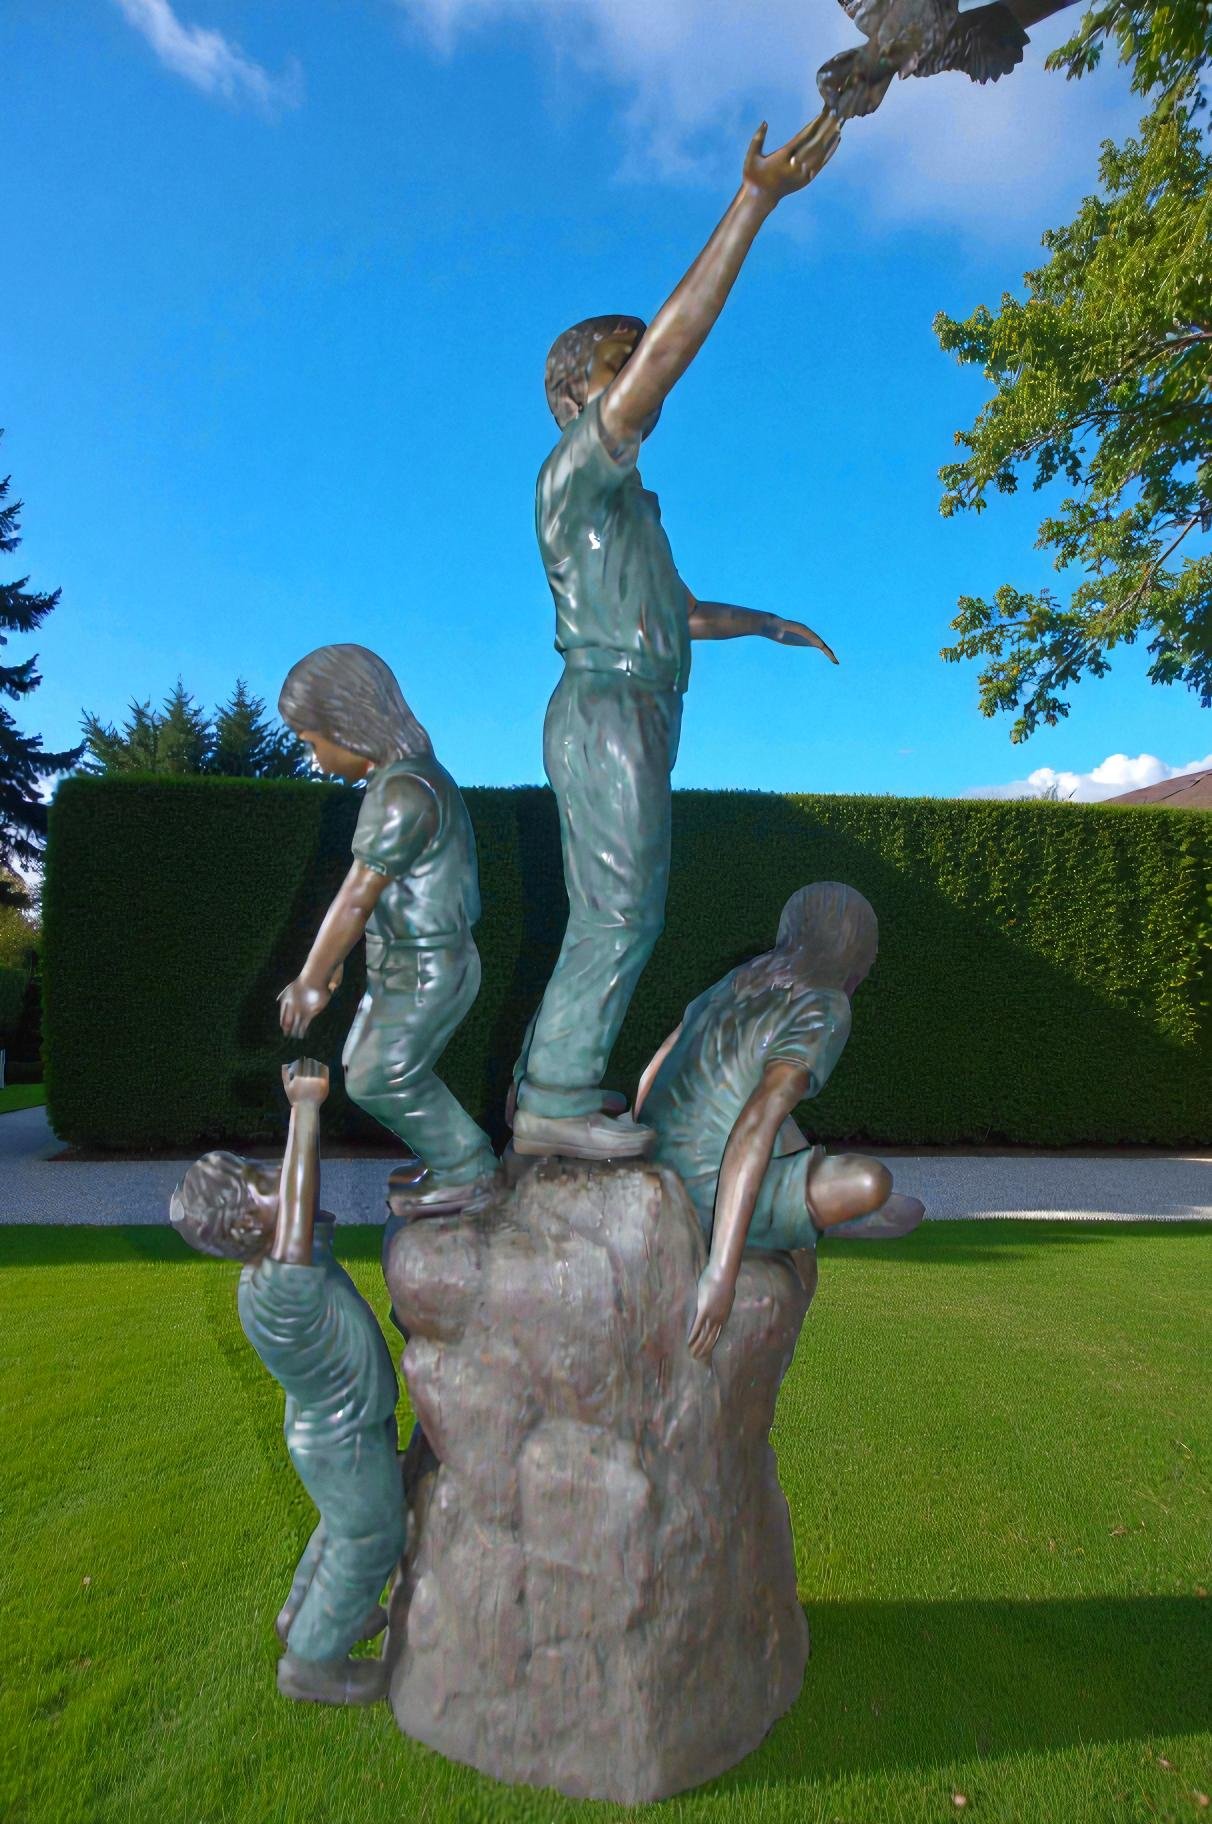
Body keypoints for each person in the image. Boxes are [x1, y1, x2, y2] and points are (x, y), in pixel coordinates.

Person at [510, 112, 845, 1165]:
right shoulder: (576, 476)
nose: (642, 380)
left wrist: (770, 623)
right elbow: (676, 345)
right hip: (608, 703)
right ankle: (552, 1098)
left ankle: (555, 1088)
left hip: (642, 702)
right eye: (624, 366)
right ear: (577, 399)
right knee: (618, 915)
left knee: (623, 912)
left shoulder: (629, 510)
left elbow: (684, 612)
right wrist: (753, 203)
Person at [169, 1059, 405, 1705]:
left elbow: (303, 1220)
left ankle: (308, 1613)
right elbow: (299, 1211)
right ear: (251, 1228)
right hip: (342, 1432)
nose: (275, 1182)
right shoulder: (280, 1287)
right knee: (372, 1533)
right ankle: (312, 1663)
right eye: (260, 1187)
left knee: (341, 1524)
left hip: (344, 1423)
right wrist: (305, 1108)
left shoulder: (279, 1266)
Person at [634, 883, 924, 1362]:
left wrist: (640, 1149)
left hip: (663, 1164)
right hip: (704, 1190)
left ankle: (812, 1217)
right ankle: (816, 1218)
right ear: (853, 947)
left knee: (901, 1207)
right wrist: (720, 1275)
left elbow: (654, 1071)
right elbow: (757, 1122)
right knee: (875, 1183)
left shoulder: (736, 981)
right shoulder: (824, 1004)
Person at [277, 643, 498, 1216]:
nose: (311, 756)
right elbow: (382, 898)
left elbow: (356, 897)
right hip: (404, 960)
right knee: (368, 1067)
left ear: (347, 725)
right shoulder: (401, 783)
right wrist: (345, 962)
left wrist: (311, 977)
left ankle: (469, 1168)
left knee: (379, 1078)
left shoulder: (404, 792)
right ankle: (450, 1160)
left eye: (310, 741)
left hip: (428, 963)